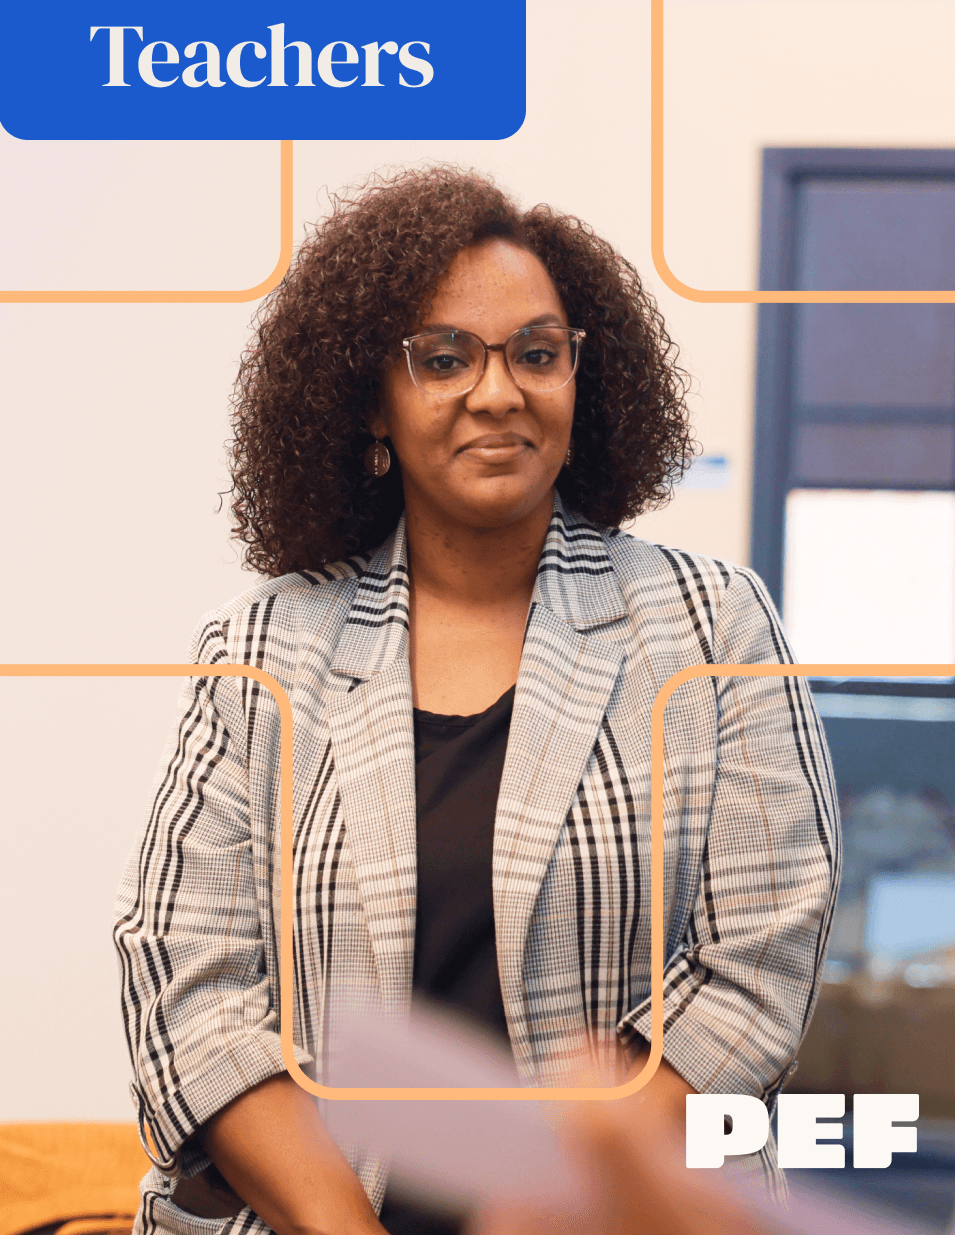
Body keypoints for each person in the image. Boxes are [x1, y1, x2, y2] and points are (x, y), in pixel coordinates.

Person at [113, 166, 840, 1235]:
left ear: (583, 380)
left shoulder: (711, 623)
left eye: (537, 354)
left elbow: (760, 965)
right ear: (372, 395)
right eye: (443, 358)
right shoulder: (261, 648)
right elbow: (188, 984)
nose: (497, 392)